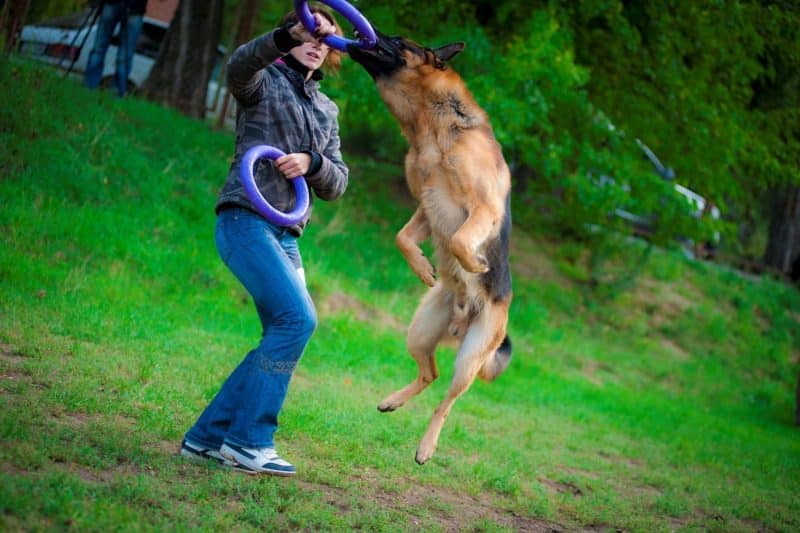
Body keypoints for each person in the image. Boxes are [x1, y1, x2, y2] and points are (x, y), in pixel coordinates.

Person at [180, 6, 348, 477]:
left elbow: (338, 183)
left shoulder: (326, 109)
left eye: (328, 39)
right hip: (244, 220)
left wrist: (311, 163)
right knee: (298, 320)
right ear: (295, 32)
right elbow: (238, 66)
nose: (318, 43)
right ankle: (249, 441)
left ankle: (206, 439)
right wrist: (280, 36)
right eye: (312, 33)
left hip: (287, 235)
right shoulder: (262, 82)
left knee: (286, 330)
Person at [84, 0, 148, 97]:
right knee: (123, 57)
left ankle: (90, 87)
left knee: (99, 49)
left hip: (123, 7)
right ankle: (115, 93)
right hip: (133, 8)